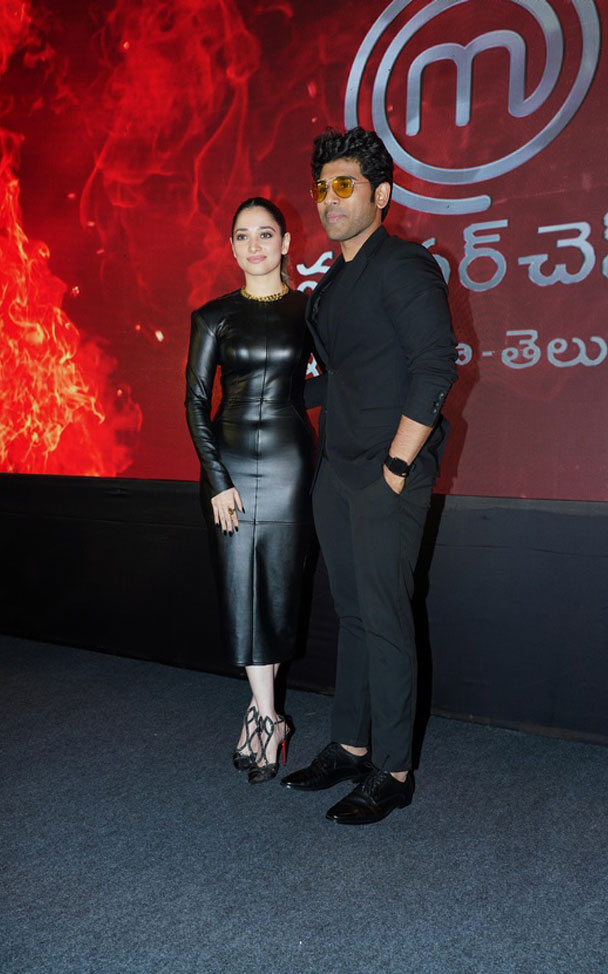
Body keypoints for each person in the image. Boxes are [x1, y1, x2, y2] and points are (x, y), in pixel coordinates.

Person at [281, 127, 458, 824]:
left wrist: (398, 463)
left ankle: (394, 769)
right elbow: (344, 374)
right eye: (322, 187)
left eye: (344, 185)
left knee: (385, 617)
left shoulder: (404, 265)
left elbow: (435, 366)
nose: (329, 199)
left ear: (380, 195)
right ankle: (351, 745)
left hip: (388, 471)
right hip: (338, 470)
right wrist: (265, 402)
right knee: (353, 613)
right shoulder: (330, 284)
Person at [185, 197, 315, 784]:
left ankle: (263, 718)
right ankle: (268, 717)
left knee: (278, 593)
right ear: (232, 247)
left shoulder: (308, 311)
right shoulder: (212, 315)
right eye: (243, 235)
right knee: (242, 593)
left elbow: (334, 379)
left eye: (266, 234)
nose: (254, 245)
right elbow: (194, 402)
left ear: (285, 243)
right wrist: (217, 479)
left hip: (289, 465)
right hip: (230, 465)